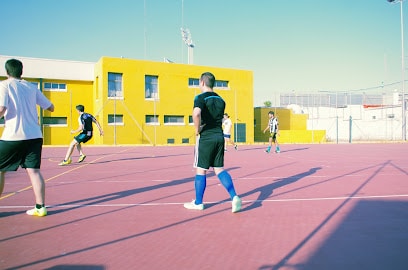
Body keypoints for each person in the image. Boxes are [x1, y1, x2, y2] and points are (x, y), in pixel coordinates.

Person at [0, 58, 55, 217]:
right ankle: (40, 207)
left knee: (0, 170)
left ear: (7, 71)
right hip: (35, 136)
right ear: (21, 71)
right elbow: (51, 107)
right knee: (34, 172)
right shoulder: (32, 87)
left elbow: (2, 108)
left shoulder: (5, 85)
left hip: (13, 136)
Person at [184, 72, 242, 213]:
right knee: (219, 169)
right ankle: (234, 196)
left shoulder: (200, 98)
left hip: (206, 137)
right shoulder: (221, 100)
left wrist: (197, 129)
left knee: (201, 169)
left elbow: (196, 113)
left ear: (202, 82)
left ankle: (198, 203)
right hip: (219, 137)